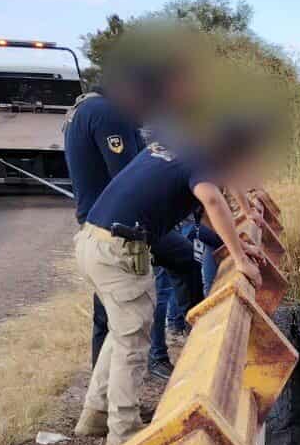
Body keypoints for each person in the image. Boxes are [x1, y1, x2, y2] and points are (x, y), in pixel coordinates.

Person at [73, 124, 266, 445]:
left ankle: (94, 415)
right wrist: (239, 259)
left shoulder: (178, 142)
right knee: (133, 343)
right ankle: (123, 437)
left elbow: (205, 210)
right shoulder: (204, 160)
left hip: (93, 242)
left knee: (121, 333)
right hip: (120, 251)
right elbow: (211, 198)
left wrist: (230, 244)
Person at [64, 62, 202, 372]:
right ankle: (191, 337)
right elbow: (129, 175)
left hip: (97, 220)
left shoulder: (86, 108)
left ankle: (104, 382)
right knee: (162, 278)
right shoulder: (110, 114)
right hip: (120, 225)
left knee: (110, 308)